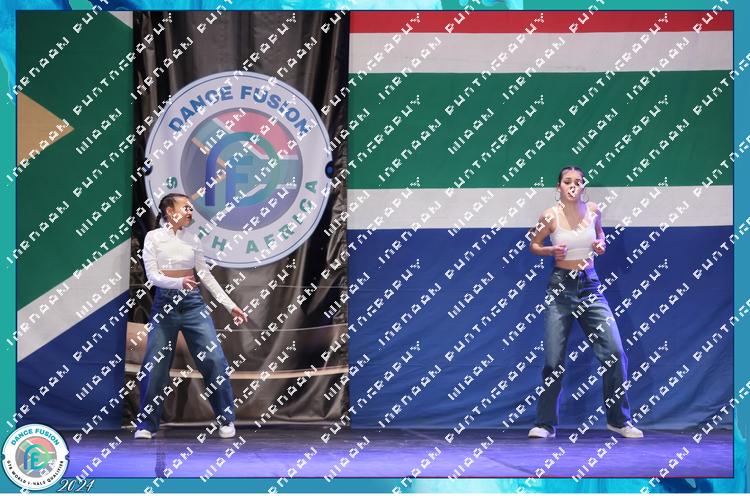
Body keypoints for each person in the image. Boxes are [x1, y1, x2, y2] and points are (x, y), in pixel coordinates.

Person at [527, 166, 643, 439]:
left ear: (583, 186)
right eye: (567, 181)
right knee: (553, 362)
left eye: (578, 182)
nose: (573, 186)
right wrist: (550, 250)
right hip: (561, 289)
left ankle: (618, 420)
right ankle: (545, 424)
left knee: (615, 353)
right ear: (558, 186)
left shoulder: (593, 210)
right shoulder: (549, 215)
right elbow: (534, 244)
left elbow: (600, 235)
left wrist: (601, 244)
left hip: (590, 286)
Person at [134, 193, 249, 439]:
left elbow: (204, 274)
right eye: (185, 207)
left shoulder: (192, 238)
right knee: (154, 365)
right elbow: (152, 276)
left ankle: (226, 420)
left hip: (193, 304)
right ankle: (146, 424)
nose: (190, 211)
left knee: (214, 359)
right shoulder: (153, 237)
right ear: (169, 211)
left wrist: (230, 306)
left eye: (190, 208)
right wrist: (178, 283)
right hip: (165, 305)